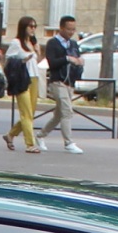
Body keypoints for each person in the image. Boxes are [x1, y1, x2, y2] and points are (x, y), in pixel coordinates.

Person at [43, 15, 86, 154]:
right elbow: (51, 63)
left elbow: (77, 57)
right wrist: (67, 59)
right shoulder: (53, 43)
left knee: (58, 115)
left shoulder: (73, 44)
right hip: (57, 81)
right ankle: (68, 142)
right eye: (68, 29)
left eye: (73, 29)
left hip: (69, 82)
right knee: (67, 111)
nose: (71, 32)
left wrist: (79, 61)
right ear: (61, 28)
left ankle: (40, 136)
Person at [1, 17, 42, 153]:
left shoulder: (32, 43)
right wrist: (23, 60)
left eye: (34, 26)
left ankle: (10, 135)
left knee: (30, 113)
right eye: (30, 26)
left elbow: (37, 61)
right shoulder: (16, 43)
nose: (33, 29)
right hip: (22, 78)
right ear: (23, 27)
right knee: (26, 113)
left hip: (34, 77)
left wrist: (37, 51)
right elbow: (8, 61)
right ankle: (30, 144)